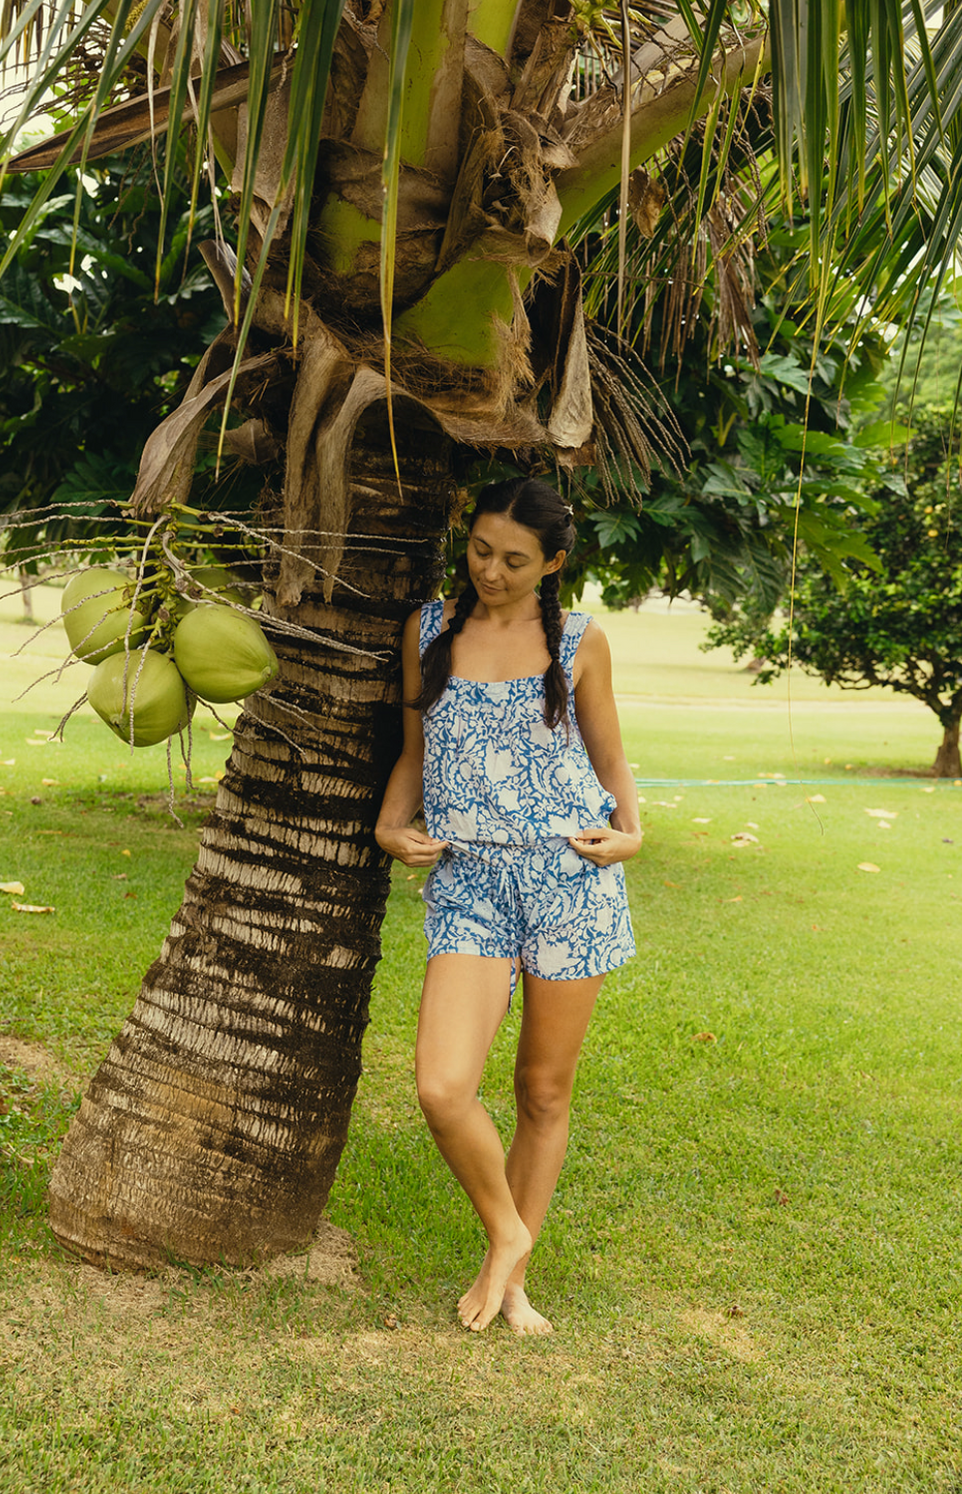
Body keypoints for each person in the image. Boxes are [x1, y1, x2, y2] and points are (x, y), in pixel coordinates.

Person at [375, 476, 641, 1336]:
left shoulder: (581, 644)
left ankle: (513, 1281)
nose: (491, 570)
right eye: (481, 549)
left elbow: (610, 761)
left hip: (571, 882)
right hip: (471, 883)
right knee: (443, 1086)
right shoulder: (427, 630)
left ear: (553, 562)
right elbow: (417, 750)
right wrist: (389, 821)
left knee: (542, 1090)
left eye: (515, 560)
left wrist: (631, 831)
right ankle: (507, 1232)